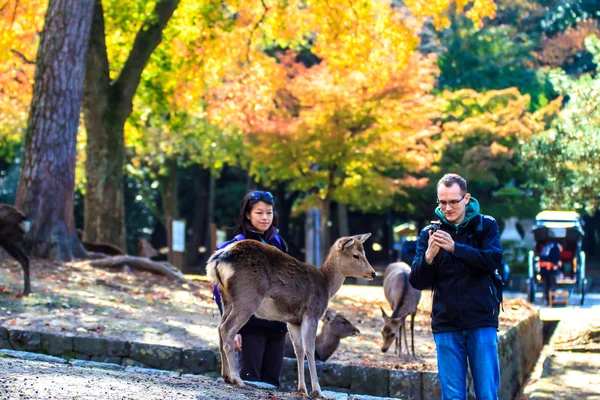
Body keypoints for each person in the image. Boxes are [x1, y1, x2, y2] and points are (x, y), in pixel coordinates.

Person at [409, 174, 503, 400]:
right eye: (442, 202)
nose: (447, 208)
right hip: (446, 324)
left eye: (453, 201)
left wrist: (455, 248)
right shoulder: (428, 234)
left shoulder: (485, 225)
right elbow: (417, 281)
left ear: (466, 198)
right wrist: (429, 256)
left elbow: (493, 260)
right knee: (452, 396)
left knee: (487, 394)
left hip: (481, 320)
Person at [212, 190, 288, 386]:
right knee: (250, 384)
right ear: (248, 214)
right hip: (250, 327)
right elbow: (219, 291)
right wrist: (233, 330)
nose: (265, 218)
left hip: (277, 326)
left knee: (272, 385)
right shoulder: (234, 248)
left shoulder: (279, 244)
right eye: (259, 212)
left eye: (269, 213)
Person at [538, 239, 562, 305]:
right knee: (552, 285)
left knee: (546, 285)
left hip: (543, 268)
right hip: (550, 268)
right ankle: (552, 300)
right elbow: (554, 257)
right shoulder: (555, 247)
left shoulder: (547, 245)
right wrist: (557, 263)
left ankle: (547, 300)